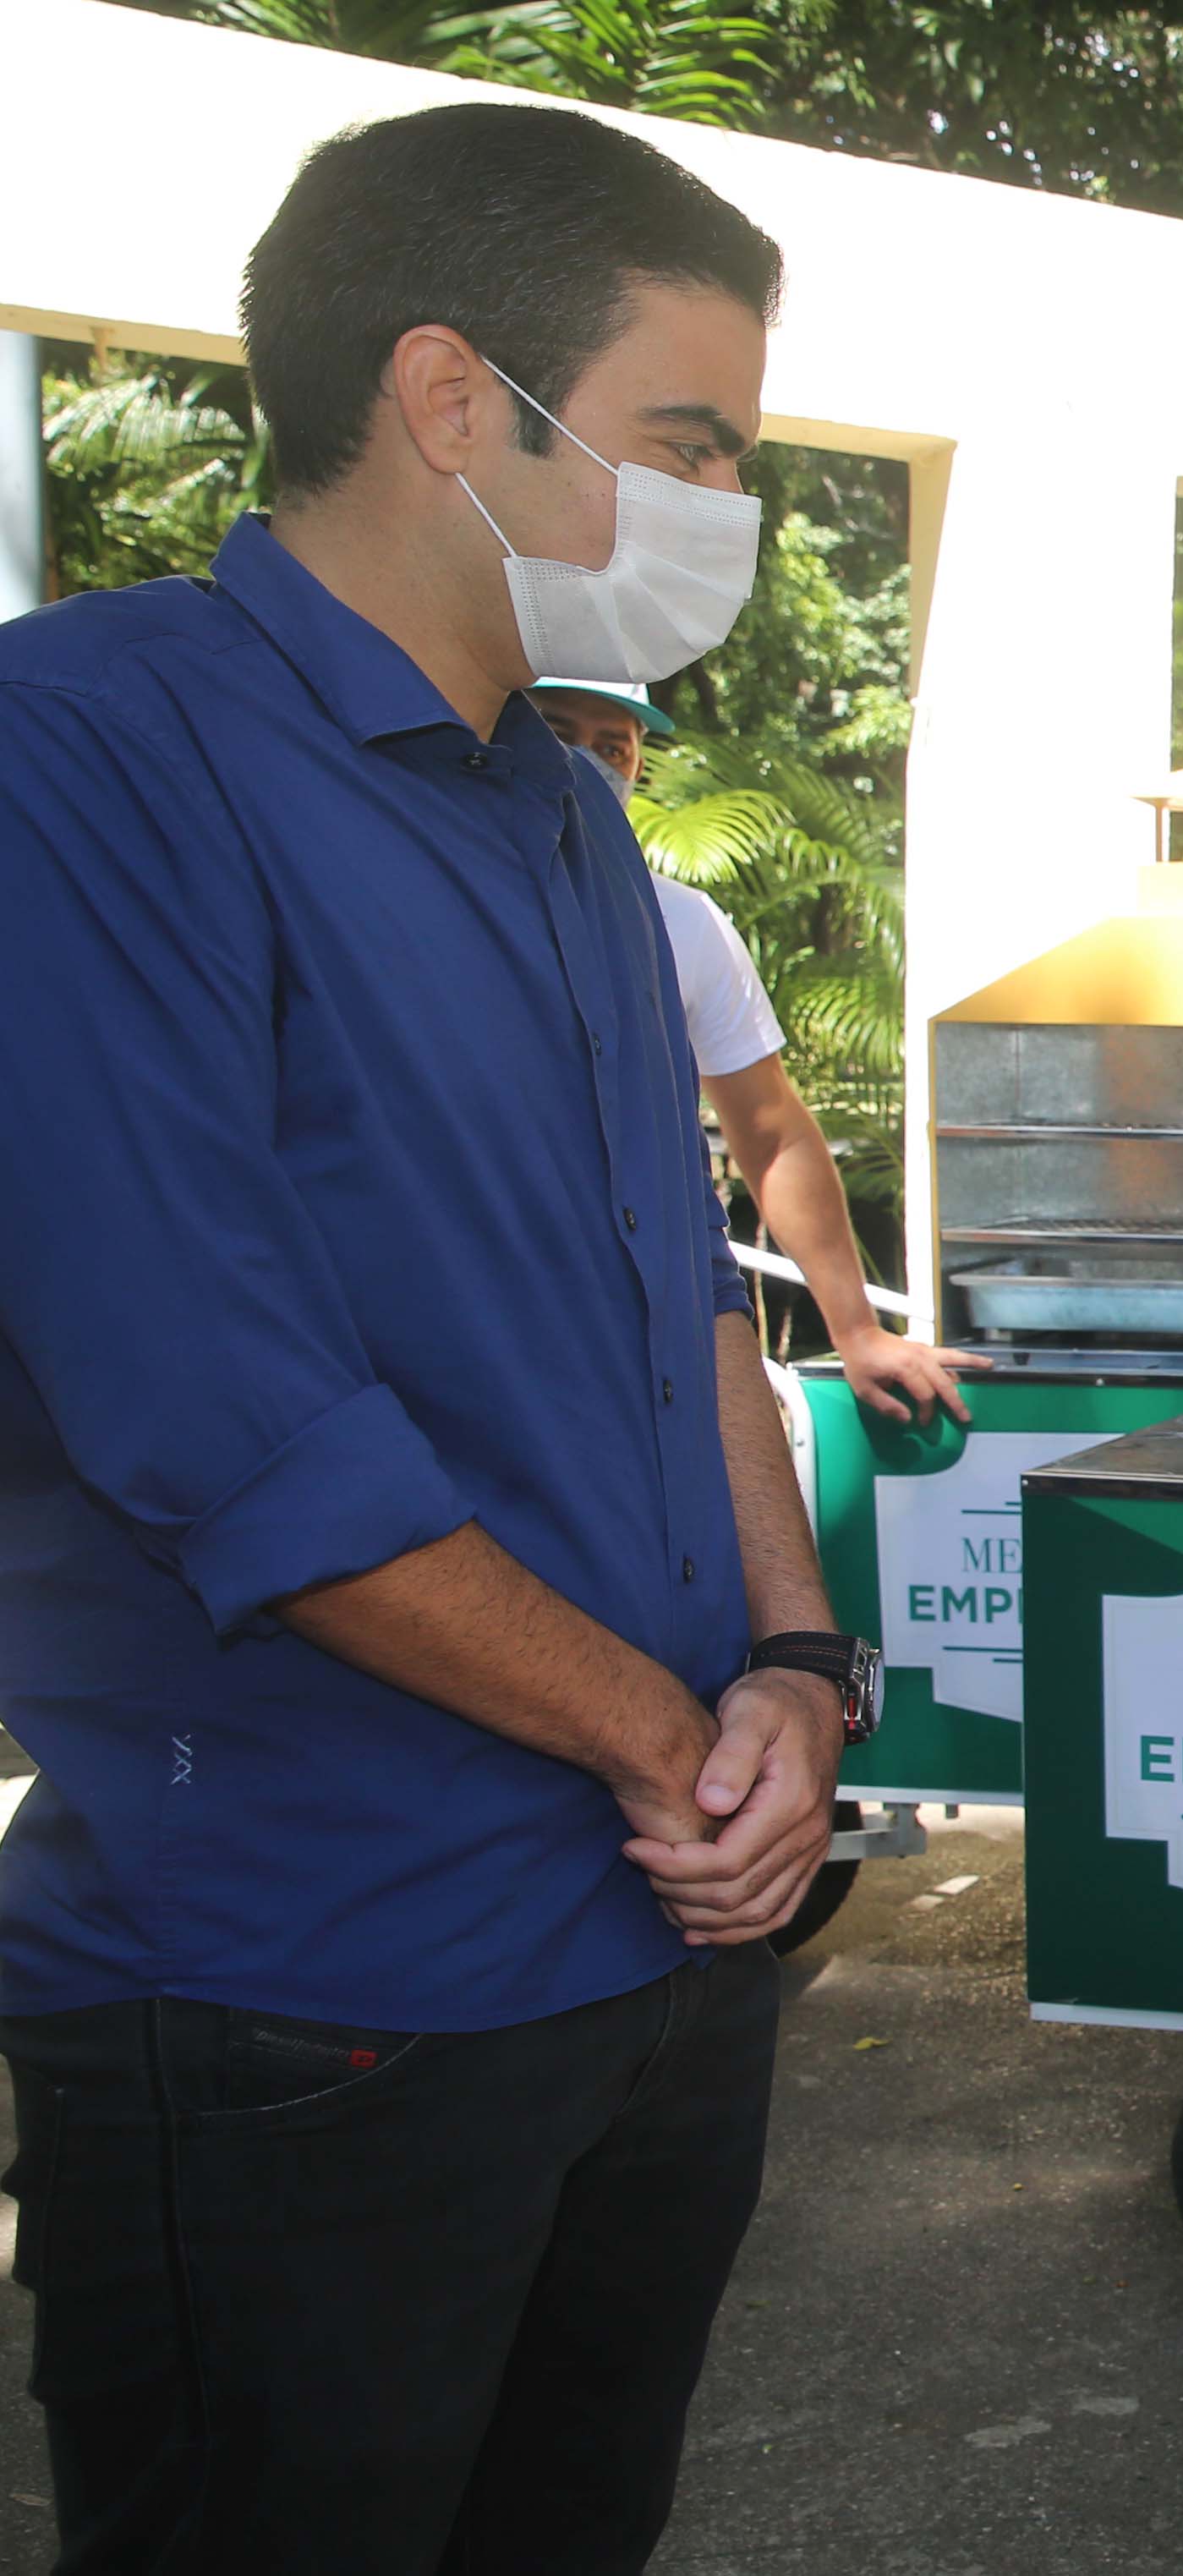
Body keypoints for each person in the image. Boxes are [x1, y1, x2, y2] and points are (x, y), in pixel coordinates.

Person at [0, 103, 870, 2573]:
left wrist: (796, 1670)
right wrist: (680, 1741)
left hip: (661, 1943)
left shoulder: (567, 825)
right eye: (692, 445)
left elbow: (680, 1296)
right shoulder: (84, 758)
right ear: (454, 400)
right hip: (311, 1990)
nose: (731, 512)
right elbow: (232, 1433)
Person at [534, 675, 989, 1423]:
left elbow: (771, 1131)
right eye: (555, 731)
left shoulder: (682, 927)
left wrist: (857, 1330)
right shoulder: (409, 901)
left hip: (642, 1336)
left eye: (612, 746)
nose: (587, 763)